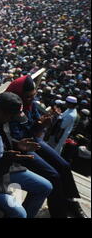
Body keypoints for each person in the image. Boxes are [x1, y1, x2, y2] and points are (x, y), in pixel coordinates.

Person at [7, 75, 86, 218]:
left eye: (33, 96)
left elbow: (35, 123)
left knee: (64, 165)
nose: (31, 99)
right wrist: (37, 127)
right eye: (28, 97)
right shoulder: (11, 108)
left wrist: (41, 124)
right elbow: (18, 139)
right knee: (53, 175)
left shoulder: (30, 104)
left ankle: (69, 201)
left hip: (33, 139)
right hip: (21, 148)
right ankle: (59, 212)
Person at [0, 92, 53, 218]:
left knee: (46, 186)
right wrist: (6, 158)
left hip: (8, 168)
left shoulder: (1, 117)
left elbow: (5, 139)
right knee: (20, 214)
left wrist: (18, 144)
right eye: (10, 116)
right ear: (1, 112)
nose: (11, 120)